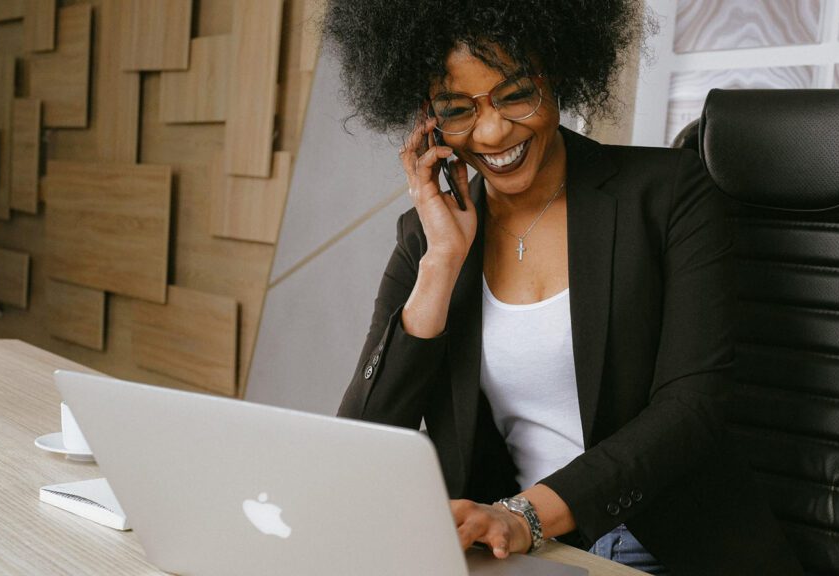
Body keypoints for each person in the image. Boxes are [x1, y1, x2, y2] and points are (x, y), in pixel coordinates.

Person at [326, 1, 801, 574]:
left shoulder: (670, 195)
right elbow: (365, 441)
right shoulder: (428, 235)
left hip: (663, 541)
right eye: (457, 109)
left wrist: (524, 516)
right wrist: (442, 261)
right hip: (510, 551)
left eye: (516, 94)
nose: (493, 130)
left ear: (559, 75)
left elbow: (692, 405)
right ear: (430, 121)